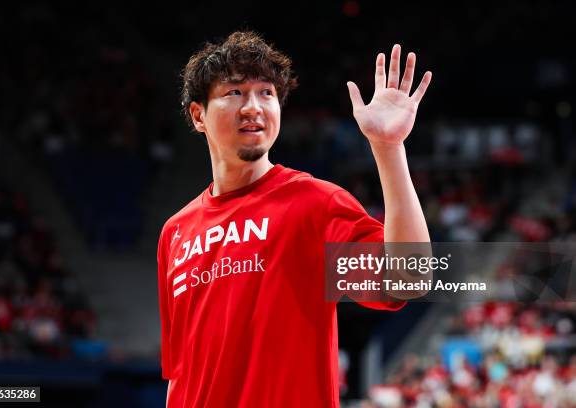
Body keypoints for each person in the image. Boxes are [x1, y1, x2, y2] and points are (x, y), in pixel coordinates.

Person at [157, 31, 432, 407]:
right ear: (198, 114)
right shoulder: (175, 232)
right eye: (234, 92)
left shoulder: (315, 204)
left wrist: (388, 149)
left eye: (266, 93)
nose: (253, 106)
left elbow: (408, 278)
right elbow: (181, 373)